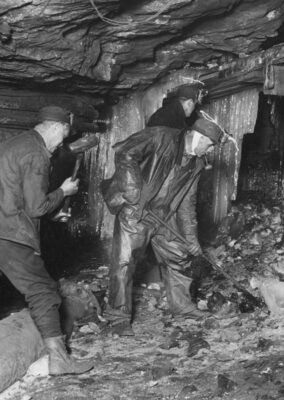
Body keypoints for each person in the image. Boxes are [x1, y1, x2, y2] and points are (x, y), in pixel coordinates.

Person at [101, 118, 222, 336]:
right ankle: (118, 318)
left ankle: (182, 307)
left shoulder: (197, 163)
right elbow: (125, 151)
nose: (210, 150)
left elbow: (187, 204)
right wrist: (132, 190)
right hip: (136, 211)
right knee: (124, 262)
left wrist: (192, 239)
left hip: (164, 215)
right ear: (199, 137)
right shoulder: (161, 136)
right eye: (211, 144)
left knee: (180, 254)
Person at [0, 106, 93, 375]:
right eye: (64, 133)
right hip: (10, 234)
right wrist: (63, 191)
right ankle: (59, 360)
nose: (62, 141)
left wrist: (53, 213)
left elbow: (13, 195)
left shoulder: (14, 144)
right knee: (44, 292)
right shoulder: (36, 153)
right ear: (55, 126)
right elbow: (36, 207)